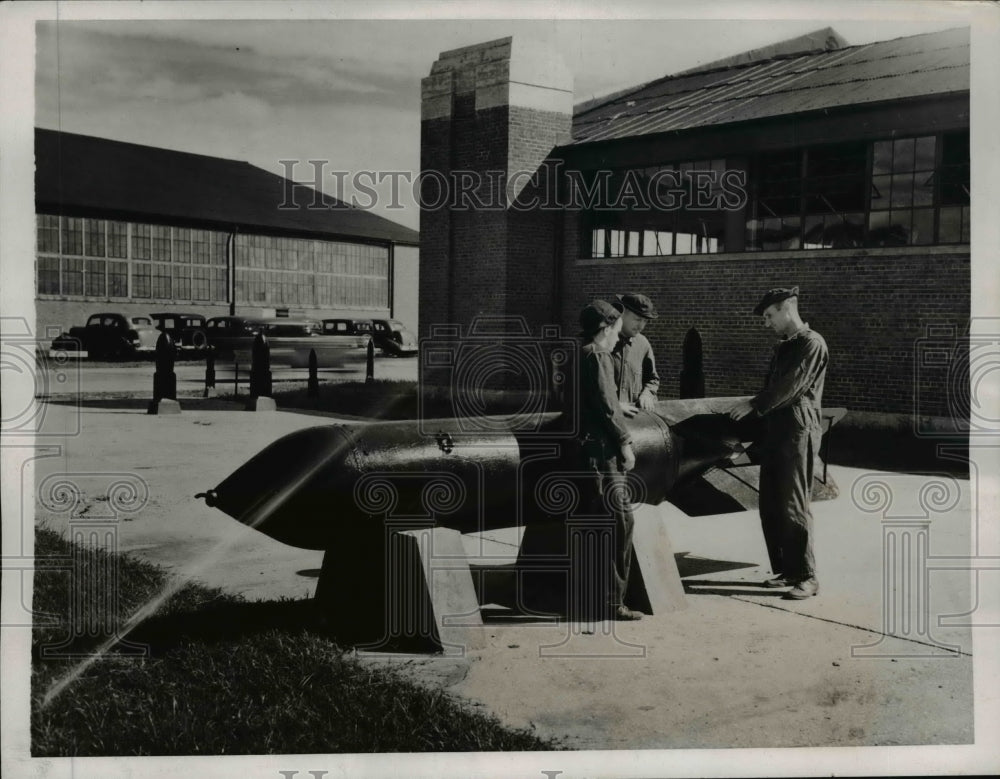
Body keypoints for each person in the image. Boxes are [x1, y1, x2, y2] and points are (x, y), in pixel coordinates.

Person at [729, 286, 829, 600]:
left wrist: (756, 404)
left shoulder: (811, 343)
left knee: (793, 503)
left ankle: (807, 576)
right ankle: (787, 570)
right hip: (776, 429)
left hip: (798, 429)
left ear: (788, 307)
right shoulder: (785, 346)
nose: (767, 322)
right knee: (771, 503)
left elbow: (792, 385)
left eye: (770, 315)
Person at [578, 299, 644, 621]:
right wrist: (625, 443)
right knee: (620, 525)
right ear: (605, 328)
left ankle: (594, 598)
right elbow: (606, 407)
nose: (620, 337)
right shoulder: (599, 355)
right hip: (603, 455)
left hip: (587, 453)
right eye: (617, 330)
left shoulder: (583, 352)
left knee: (600, 524)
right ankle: (612, 603)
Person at [611, 293, 660, 417]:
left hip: (634, 421)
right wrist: (612, 405)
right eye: (637, 319)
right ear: (622, 313)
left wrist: (647, 394)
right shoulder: (603, 342)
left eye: (645, 321)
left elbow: (652, 379)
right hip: (605, 419)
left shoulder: (643, 344)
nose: (641, 326)